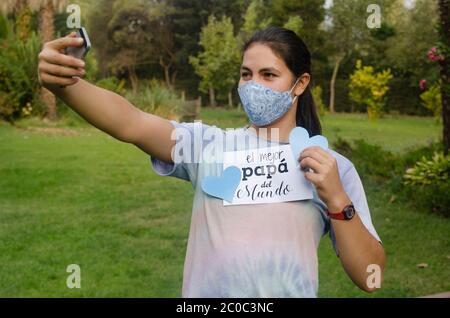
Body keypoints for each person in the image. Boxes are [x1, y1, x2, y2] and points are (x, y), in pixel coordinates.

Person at [38, 26, 385, 297]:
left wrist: (338, 200)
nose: (253, 85)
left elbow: (371, 276)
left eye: (268, 74)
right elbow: (131, 122)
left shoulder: (331, 167)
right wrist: (66, 85)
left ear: (300, 84)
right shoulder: (209, 146)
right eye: (246, 75)